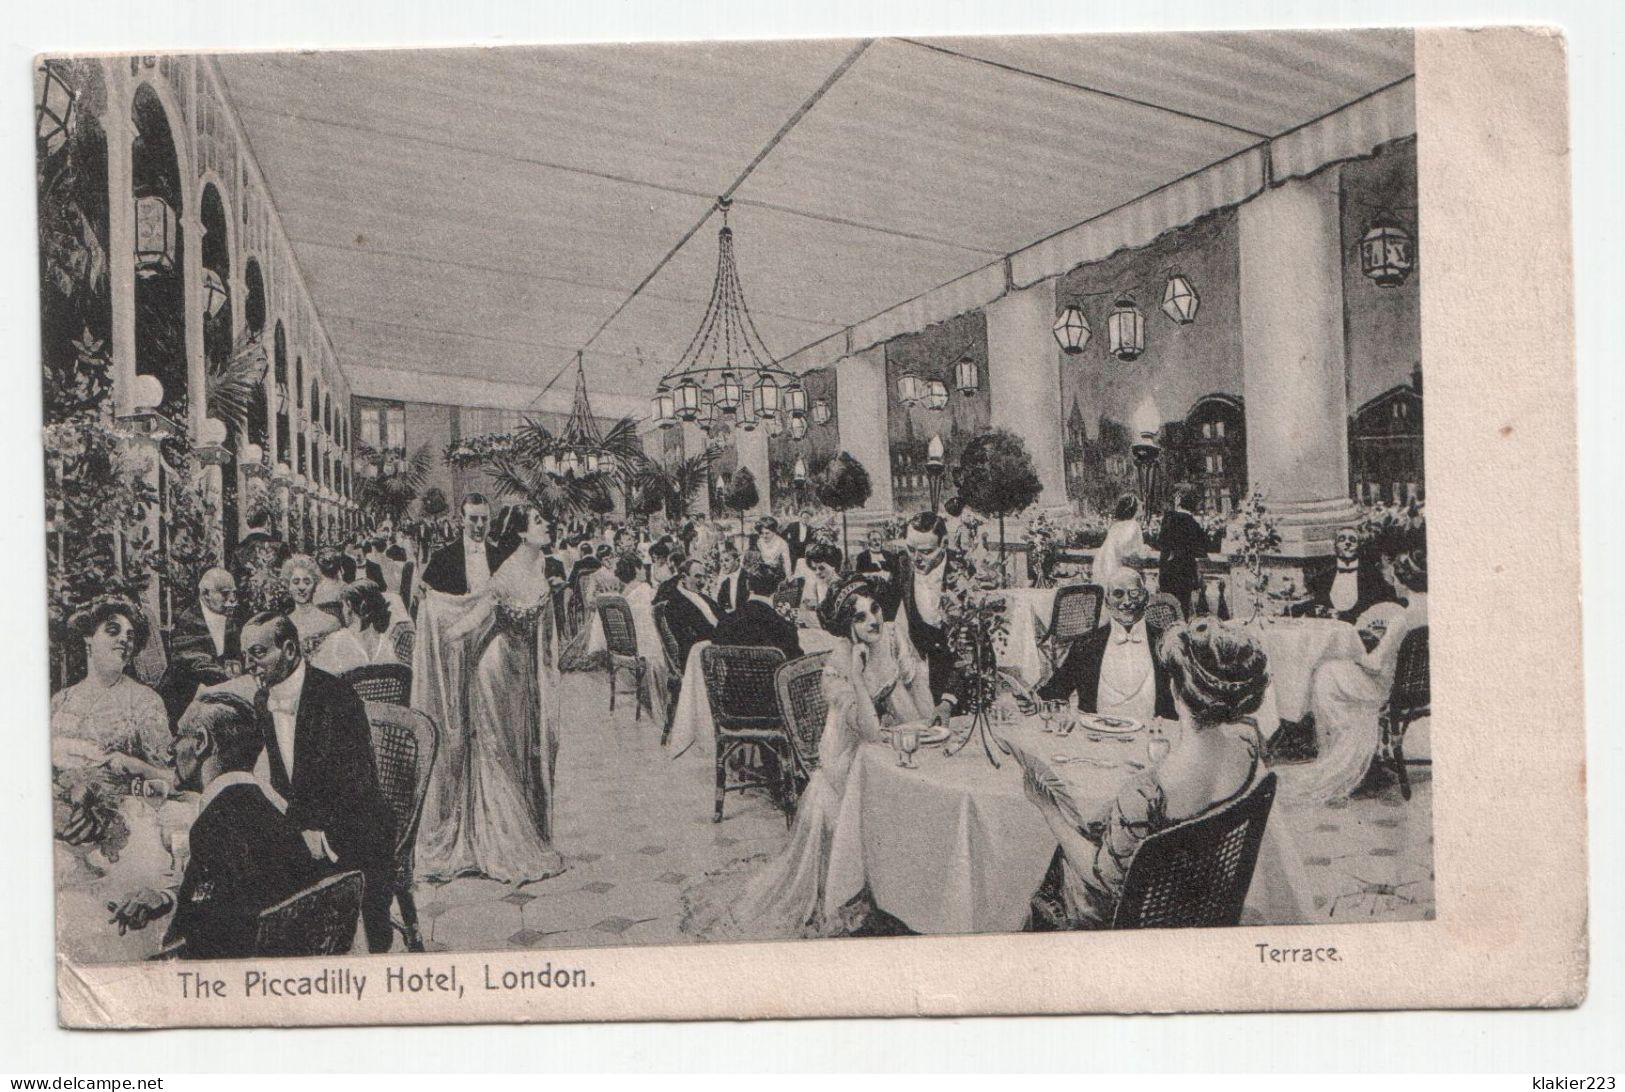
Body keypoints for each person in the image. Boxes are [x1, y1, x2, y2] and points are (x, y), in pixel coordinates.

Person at [687, 578, 934, 939]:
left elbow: (921, 717)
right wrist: (859, 677)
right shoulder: (838, 665)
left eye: (874, 609)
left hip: (879, 747)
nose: (872, 621)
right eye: (859, 617)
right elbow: (866, 731)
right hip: (844, 761)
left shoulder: (892, 638)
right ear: (845, 628)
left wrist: (911, 680)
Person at [1024, 618, 1273, 927]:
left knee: (1046, 866)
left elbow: (1102, 879)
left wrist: (1048, 809)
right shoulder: (1247, 746)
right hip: (1207, 896)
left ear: (1176, 691)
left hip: (1142, 917)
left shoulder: (1146, 793)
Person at [108, 693, 325, 959]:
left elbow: (194, 938)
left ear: (201, 742)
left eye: (178, 737)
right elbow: (227, 891)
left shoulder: (215, 824)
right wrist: (166, 898)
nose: (170, 750)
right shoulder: (268, 805)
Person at [424, 506, 567, 885]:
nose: (547, 524)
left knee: (515, 748)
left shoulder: (539, 567)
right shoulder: (506, 574)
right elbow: (475, 618)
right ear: (521, 533)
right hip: (493, 670)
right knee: (495, 752)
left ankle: (515, 831)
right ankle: (498, 840)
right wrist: (445, 630)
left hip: (520, 675)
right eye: (538, 521)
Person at [239, 612, 396, 952]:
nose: (249, 665)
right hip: (302, 829)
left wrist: (319, 838)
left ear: (290, 650)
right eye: (244, 656)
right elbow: (284, 782)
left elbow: (358, 788)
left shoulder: (336, 698)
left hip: (353, 832)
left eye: (258, 653)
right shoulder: (264, 700)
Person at [1280, 545, 1429, 807]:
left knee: (1325, 673)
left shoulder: (1402, 619)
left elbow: (1374, 663)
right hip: (1417, 688)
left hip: (1385, 687)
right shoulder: (1431, 611)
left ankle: (1342, 750)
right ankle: (1357, 753)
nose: (1391, 581)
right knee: (1331, 674)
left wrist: (1351, 652)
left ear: (1403, 581)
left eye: (1394, 577)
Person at [52, 598, 174, 793]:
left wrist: (130, 764)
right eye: (113, 630)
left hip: (120, 809)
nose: (124, 640)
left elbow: (171, 778)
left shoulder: (145, 701)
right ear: (88, 637)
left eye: (130, 636)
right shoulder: (60, 701)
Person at [1033, 569, 1178, 722]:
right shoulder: (1087, 643)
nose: (1127, 602)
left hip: (1154, 735)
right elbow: (1057, 689)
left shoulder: (1166, 640)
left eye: (1134, 593)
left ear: (1146, 598)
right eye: (1118, 594)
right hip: (1097, 736)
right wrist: (1034, 702)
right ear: (1107, 602)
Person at [889, 512, 966, 724]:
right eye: (910, 549)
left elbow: (970, 650)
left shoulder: (966, 574)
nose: (916, 559)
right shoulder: (904, 565)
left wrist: (949, 701)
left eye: (926, 552)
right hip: (929, 669)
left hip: (966, 672)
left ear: (944, 543)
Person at [160, 568, 244, 723]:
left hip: (218, 692)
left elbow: (235, 654)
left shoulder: (229, 619)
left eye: (234, 593)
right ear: (206, 594)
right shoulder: (187, 619)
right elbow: (194, 661)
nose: (232, 599)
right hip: (184, 699)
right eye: (225, 593)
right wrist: (228, 678)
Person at [1293, 526, 1397, 623]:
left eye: (1352, 540)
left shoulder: (1372, 575)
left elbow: (1384, 605)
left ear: (1359, 546)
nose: (1347, 543)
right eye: (1342, 539)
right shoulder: (1324, 578)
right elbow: (1315, 603)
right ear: (1335, 546)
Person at [419, 494, 510, 597]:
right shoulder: (441, 559)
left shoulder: (501, 557)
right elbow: (429, 602)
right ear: (462, 520)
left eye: (484, 518)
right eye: (474, 518)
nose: (480, 525)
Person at [713, 563, 803, 664]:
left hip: (735, 679)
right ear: (776, 590)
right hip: (771, 679)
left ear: (748, 586)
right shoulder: (786, 628)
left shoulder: (725, 622)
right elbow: (796, 663)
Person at [312, 581, 406, 675]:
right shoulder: (386, 643)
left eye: (343, 606)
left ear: (349, 605)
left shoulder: (336, 641)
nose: (342, 611)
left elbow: (316, 676)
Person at [1157, 484, 1209, 618]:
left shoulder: (1168, 519)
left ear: (1179, 500)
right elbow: (1203, 549)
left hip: (1167, 573)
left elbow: (1161, 542)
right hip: (1185, 575)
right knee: (1182, 613)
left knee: (1167, 612)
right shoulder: (1193, 523)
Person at [664, 557, 721, 670]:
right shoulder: (675, 604)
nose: (703, 582)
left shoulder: (703, 597)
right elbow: (688, 639)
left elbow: (723, 618)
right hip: (701, 658)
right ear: (683, 577)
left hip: (718, 647)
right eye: (698, 577)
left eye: (704, 577)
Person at [281, 554, 341, 653]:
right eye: (296, 582)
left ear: (315, 585)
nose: (301, 587)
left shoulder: (331, 622)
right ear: (288, 586)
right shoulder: (283, 625)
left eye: (307, 582)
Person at [1095, 494, 1145, 590]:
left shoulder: (1115, 526)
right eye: (1139, 507)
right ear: (1134, 509)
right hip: (1125, 569)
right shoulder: (1134, 525)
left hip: (1108, 566)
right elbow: (1139, 552)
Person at [853, 529, 900, 620]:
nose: (877, 542)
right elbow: (859, 574)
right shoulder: (862, 556)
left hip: (889, 591)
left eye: (879, 540)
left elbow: (895, 572)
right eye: (874, 540)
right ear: (869, 542)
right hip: (872, 591)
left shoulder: (888, 555)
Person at [713, 544, 747, 613]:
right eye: (721, 561)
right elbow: (720, 605)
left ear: (737, 560)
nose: (723, 564)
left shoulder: (748, 578)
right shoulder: (725, 583)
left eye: (726, 560)